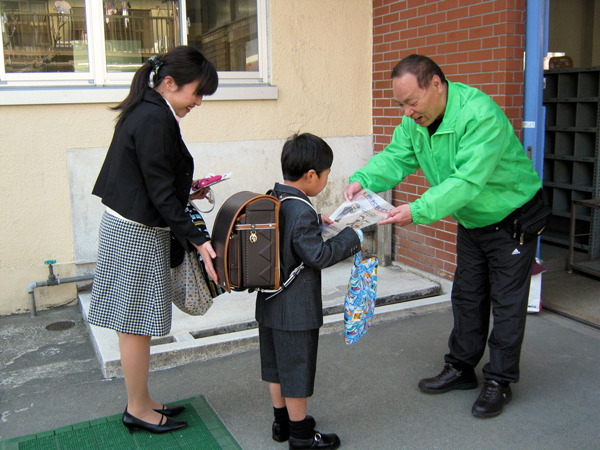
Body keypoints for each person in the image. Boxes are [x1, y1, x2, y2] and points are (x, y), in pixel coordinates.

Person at [344, 54, 549, 419]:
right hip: (472, 219)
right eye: (401, 104)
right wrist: (365, 179)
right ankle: (461, 367)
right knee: (467, 294)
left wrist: (418, 211)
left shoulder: (479, 114)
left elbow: (467, 180)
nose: (407, 112)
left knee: (505, 302)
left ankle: (499, 381)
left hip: (512, 215)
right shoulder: (415, 123)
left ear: (437, 84)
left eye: (412, 101)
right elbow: (396, 157)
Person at [88, 46, 219, 434]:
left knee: (137, 321)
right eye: (196, 92)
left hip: (134, 225)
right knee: (133, 322)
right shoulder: (152, 117)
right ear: (169, 83)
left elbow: (155, 179)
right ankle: (137, 409)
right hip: (135, 231)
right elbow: (159, 191)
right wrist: (198, 239)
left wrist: (187, 191)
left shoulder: (151, 109)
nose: (198, 101)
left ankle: (142, 401)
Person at [256, 133, 362, 449]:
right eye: (327, 175)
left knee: (275, 365)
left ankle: (282, 422)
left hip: (269, 301)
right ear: (312, 175)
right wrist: (350, 236)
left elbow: (289, 228)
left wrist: (318, 220)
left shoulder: (278, 196)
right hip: (296, 309)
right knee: (297, 370)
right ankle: (301, 436)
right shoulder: (301, 209)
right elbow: (317, 256)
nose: (326, 182)